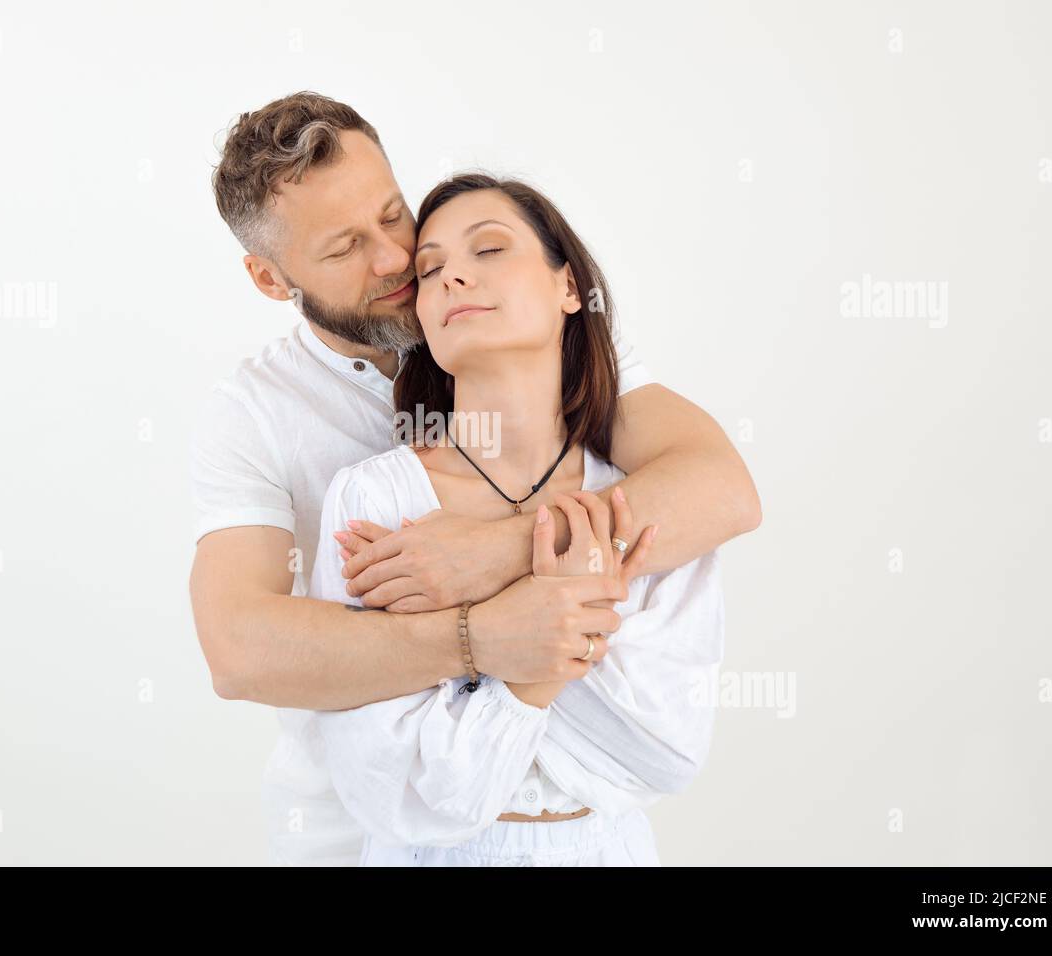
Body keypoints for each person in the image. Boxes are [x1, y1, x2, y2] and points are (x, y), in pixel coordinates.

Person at [189, 91, 760, 865]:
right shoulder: (259, 412)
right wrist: (485, 637)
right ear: (269, 278)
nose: (394, 259)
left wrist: (500, 552)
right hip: (353, 830)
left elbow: (720, 487)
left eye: (393, 215)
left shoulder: (511, 321)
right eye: (343, 247)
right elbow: (239, 651)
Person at [307, 173, 724, 866]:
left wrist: (489, 645)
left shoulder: (649, 498)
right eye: (431, 268)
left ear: (568, 289)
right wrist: (553, 642)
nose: (453, 278)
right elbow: (395, 788)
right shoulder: (373, 503)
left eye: (490, 250)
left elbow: (666, 750)